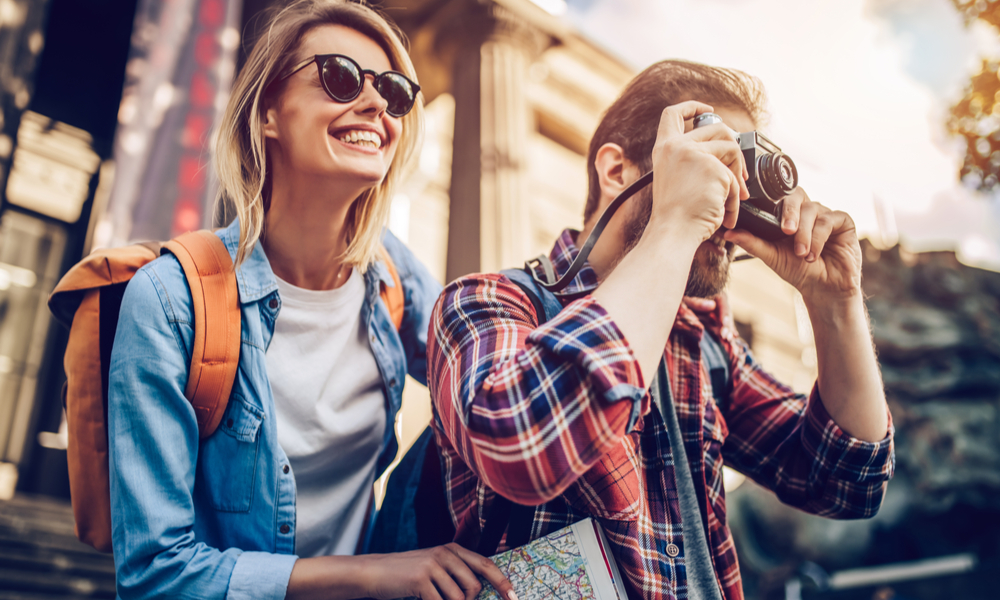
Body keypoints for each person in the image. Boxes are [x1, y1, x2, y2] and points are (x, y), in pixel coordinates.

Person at [426, 60, 894, 600]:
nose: (728, 202)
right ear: (617, 171)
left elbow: (845, 481)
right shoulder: (486, 302)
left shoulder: (704, 341)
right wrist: (675, 222)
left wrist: (835, 302)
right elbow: (521, 448)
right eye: (716, 163)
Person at [106, 2, 515, 599]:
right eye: (341, 77)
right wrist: (378, 575)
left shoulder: (394, 277)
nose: (377, 105)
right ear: (268, 112)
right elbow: (155, 575)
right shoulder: (170, 301)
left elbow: (503, 401)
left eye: (395, 93)